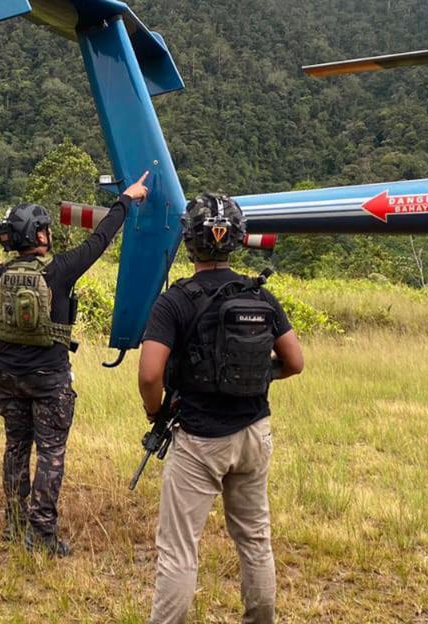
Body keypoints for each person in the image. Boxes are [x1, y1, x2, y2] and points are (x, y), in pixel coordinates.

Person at [137, 193, 305, 624]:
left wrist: (155, 411)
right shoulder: (261, 297)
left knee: (178, 549)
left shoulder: (176, 300)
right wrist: (257, 379)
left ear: (190, 242)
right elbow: (295, 362)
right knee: (254, 539)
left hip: (199, 439)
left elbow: (150, 373)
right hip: (254, 433)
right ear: (237, 240)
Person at [0, 170, 151, 556]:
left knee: (16, 448)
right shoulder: (59, 271)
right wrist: (127, 200)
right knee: (50, 453)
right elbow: (101, 239)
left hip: (8, 379)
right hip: (50, 382)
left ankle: (14, 528)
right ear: (39, 236)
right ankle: (43, 534)